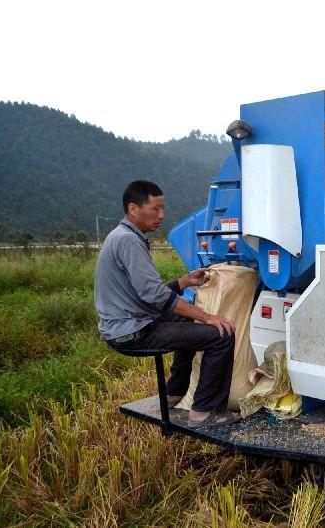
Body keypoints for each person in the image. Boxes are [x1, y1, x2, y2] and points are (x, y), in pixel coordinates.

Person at [94, 180, 237, 428]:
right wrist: (207, 317)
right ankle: (204, 412)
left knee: (186, 319)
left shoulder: (122, 236)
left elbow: (142, 292)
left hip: (129, 323)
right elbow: (156, 296)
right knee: (220, 335)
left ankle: (173, 393)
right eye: (155, 209)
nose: (162, 215)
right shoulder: (128, 241)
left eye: (162, 209)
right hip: (132, 331)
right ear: (133, 208)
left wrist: (184, 282)